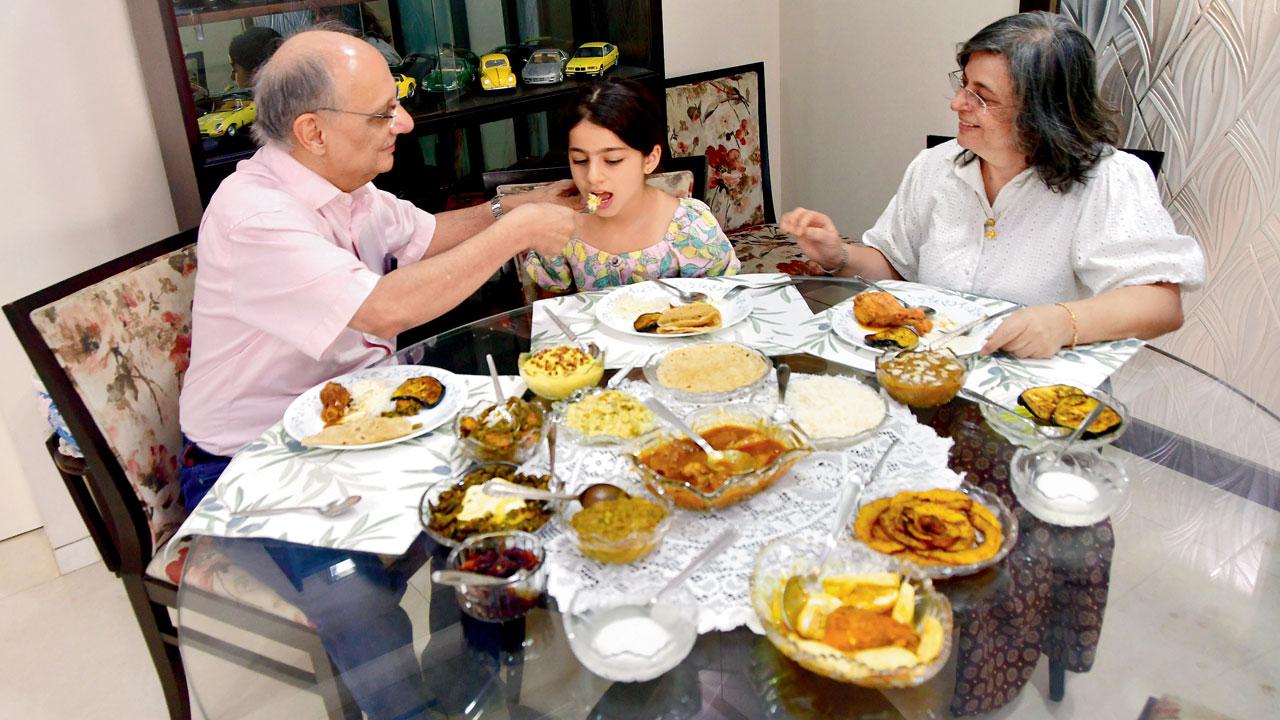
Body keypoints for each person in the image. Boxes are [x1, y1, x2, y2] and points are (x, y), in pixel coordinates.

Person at [177, 29, 575, 720]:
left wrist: (517, 204)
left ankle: (470, 693)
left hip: (364, 427)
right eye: (383, 112)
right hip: (256, 457)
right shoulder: (256, 217)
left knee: (499, 509)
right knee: (354, 599)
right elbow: (386, 309)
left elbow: (424, 236)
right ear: (313, 130)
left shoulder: (346, 184)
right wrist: (517, 235)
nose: (406, 122)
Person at [781, 12, 1205, 359]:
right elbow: (896, 266)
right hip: (931, 372)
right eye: (963, 85)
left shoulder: (1108, 179)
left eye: (982, 96)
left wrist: (1061, 322)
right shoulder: (936, 166)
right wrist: (841, 256)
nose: (957, 104)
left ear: (1043, 113)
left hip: (1033, 396)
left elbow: (1161, 304)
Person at [522, 78, 739, 292]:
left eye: (613, 160)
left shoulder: (691, 227)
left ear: (649, 159)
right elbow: (548, 307)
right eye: (580, 160)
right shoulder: (560, 227)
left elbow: (722, 303)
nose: (593, 176)